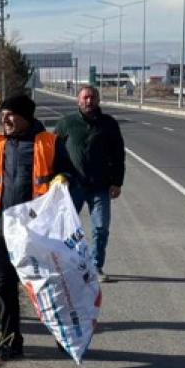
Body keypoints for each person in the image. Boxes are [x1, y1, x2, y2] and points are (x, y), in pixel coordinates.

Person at [0, 92, 73, 359]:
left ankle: (62, 334)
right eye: (3, 115)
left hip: (38, 229)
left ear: (26, 117)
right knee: (4, 285)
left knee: (47, 284)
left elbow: (69, 171)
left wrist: (63, 178)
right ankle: (11, 341)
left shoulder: (50, 142)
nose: (5, 120)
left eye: (11, 115)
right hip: (4, 228)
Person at [54, 85, 124, 283]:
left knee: (101, 228)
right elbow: (53, 152)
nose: (89, 101)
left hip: (100, 186)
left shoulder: (108, 124)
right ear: (78, 100)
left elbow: (118, 154)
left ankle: (95, 266)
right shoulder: (66, 123)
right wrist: (57, 177)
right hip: (72, 186)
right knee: (67, 229)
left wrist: (117, 182)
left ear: (98, 100)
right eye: (85, 97)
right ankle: (67, 265)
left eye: (92, 97)